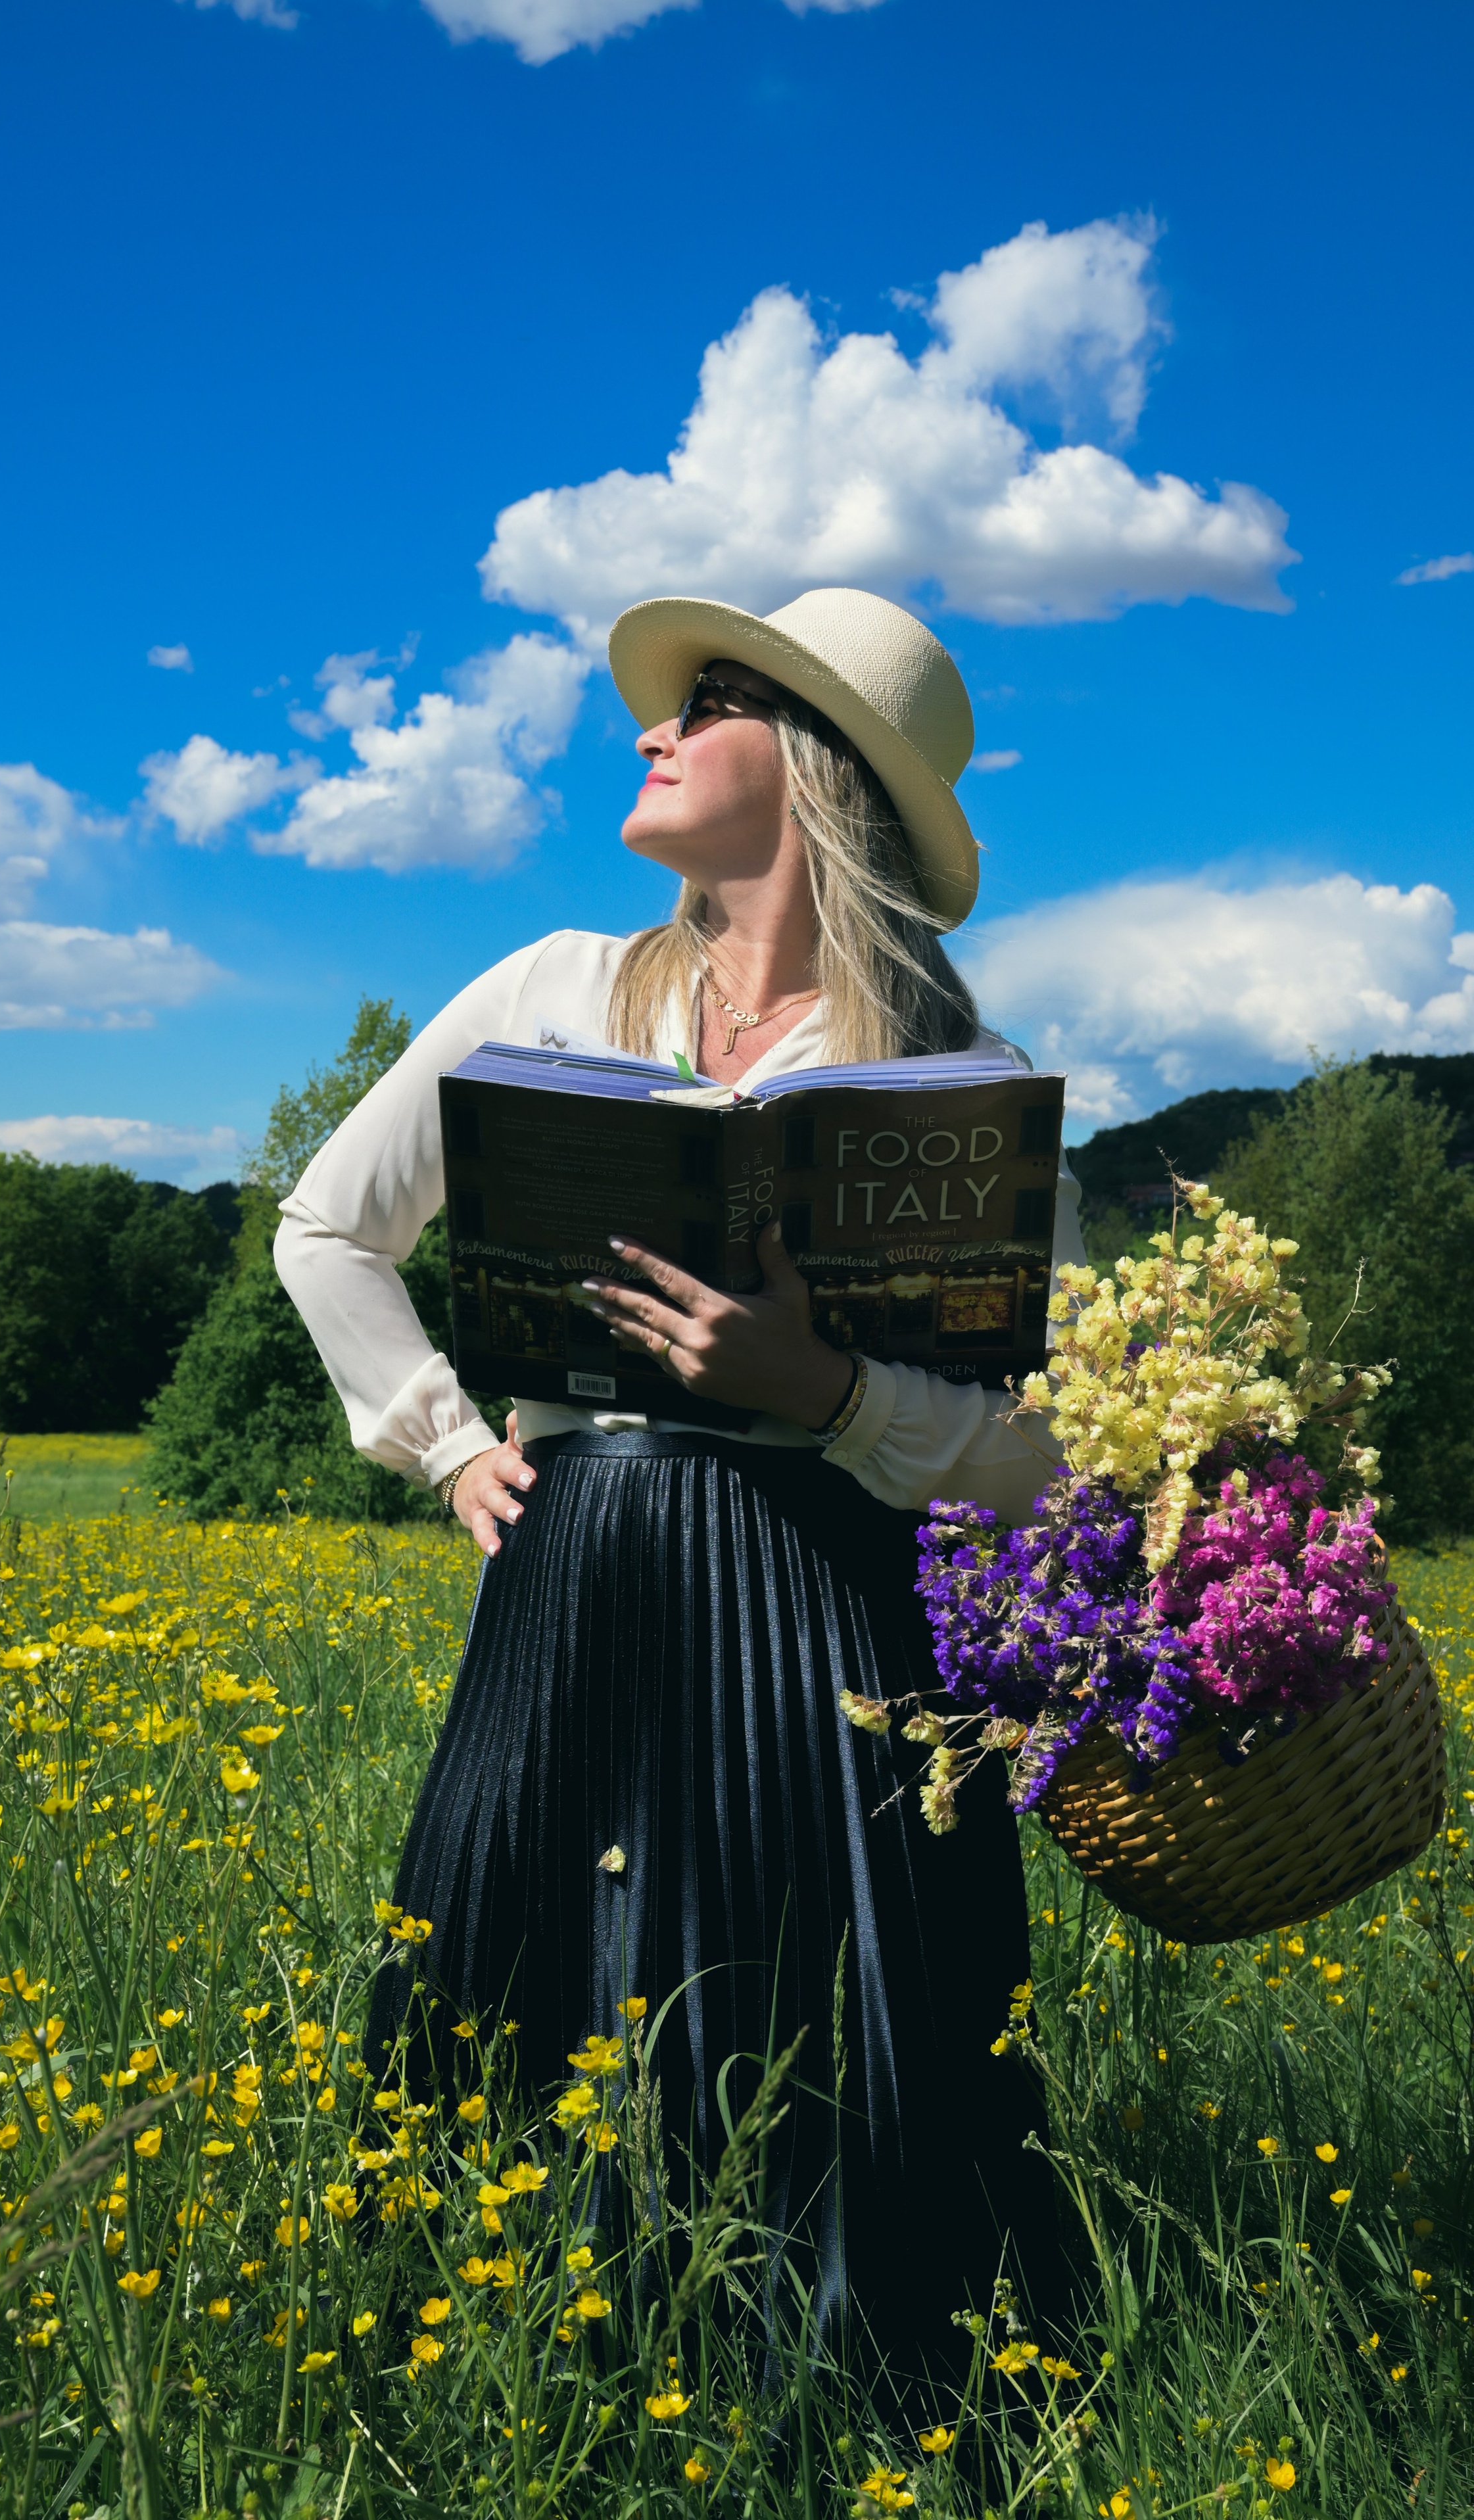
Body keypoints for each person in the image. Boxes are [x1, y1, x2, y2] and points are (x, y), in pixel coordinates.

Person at [274, 586, 1083, 2404]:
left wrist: (837, 1394)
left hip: (835, 1600)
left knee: (822, 2016)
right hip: (581, 1566)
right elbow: (325, 1226)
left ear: (821, 767)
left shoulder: (957, 1084)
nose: (652, 724)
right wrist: (444, 1438)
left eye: (710, 699)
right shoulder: (555, 988)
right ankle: (492, 2379)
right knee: (525, 1970)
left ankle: (845, 2407)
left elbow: (1056, 1454)